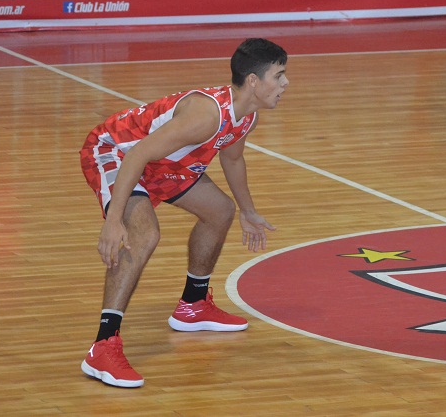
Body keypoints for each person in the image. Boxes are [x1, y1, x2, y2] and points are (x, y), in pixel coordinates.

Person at [79, 38, 289, 388]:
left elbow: (233, 158)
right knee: (144, 234)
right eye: (279, 76)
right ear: (253, 81)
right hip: (116, 152)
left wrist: (248, 211)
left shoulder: (246, 115)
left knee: (220, 210)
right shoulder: (205, 115)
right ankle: (102, 347)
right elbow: (137, 154)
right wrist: (114, 222)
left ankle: (194, 305)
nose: (285, 83)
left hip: (161, 164)